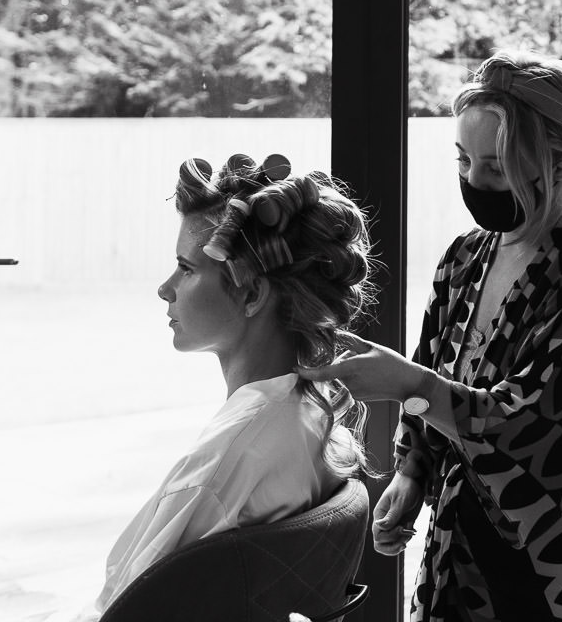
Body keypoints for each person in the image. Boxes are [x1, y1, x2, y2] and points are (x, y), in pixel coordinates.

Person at [300, 50, 562, 622]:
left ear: (561, 163)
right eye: (463, 161)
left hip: (560, 576)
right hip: (459, 565)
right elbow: (436, 379)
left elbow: (539, 440)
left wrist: (407, 384)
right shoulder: (466, 259)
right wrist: (413, 473)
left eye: (494, 168)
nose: (473, 181)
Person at [80, 152, 376, 621]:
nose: (165, 287)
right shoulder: (308, 417)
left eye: (186, 268)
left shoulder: (227, 462)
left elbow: (124, 609)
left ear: (253, 294)